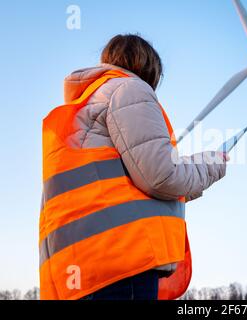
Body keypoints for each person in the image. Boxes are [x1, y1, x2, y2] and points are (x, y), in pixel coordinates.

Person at [39, 34, 228, 300]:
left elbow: (127, 185)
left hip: (82, 268)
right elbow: (161, 177)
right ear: (149, 66)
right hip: (121, 264)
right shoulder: (129, 90)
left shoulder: (85, 107)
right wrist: (211, 164)